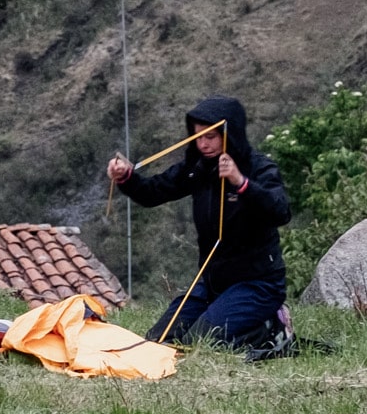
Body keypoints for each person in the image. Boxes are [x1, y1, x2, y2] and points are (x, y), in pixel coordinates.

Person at [106, 96, 293, 352]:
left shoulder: (258, 167)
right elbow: (153, 192)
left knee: (202, 342)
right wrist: (127, 177)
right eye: (197, 137)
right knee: (159, 340)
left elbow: (280, 211)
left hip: (258, 283)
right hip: (213, 281)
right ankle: (225, 313)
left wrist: (241, 183)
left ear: (230, 133)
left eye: (211, 137)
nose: (203, 144)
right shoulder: (197, 169)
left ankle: (273, 327)